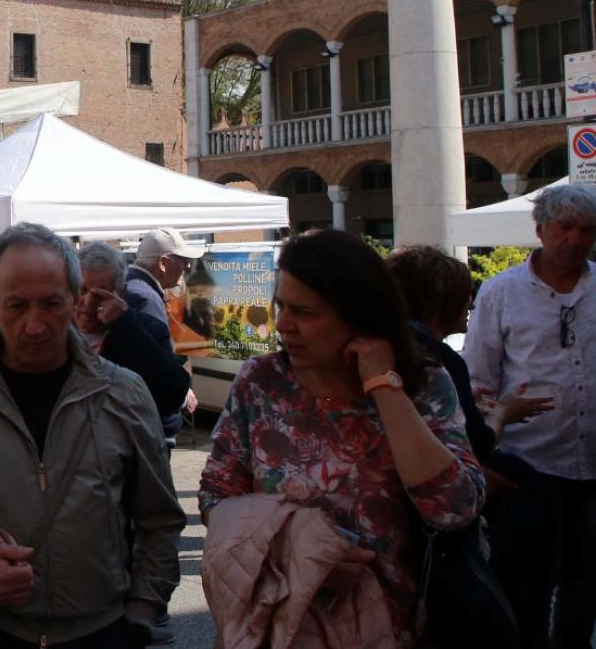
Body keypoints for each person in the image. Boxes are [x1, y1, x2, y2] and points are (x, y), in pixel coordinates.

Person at [0, 222, 183, 647]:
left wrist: (141, 611)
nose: (35, 324)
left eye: (51, 304)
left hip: (102, 632)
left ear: (76, 300)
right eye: (16, 305)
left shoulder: (124, 394)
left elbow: (159, 519)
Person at [201, 229, 485, 646]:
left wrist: (384, 387)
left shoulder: (421, 384)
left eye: (305, 312)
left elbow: (454, 508)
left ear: (358, 315)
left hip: (390, 628)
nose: (282, 325)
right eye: (280, 305)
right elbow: (216, 499)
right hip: (276, 626)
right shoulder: (261, 382)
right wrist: (303, 554)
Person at [465, 183, 596, 649]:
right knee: (527, 590)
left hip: (592, 469)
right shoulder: (501, 293)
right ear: (540, 229)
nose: (576, 240)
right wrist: (487, 454)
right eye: (566, 227)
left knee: (586, 591)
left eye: (587, 230)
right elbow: (478, 379)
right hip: (527, 469)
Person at [387, 246, 550, 468]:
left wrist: (465, 403)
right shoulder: (440, 360)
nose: (472, 304)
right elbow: (477, 443)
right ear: (443, 303)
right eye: (465, 295)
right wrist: (504, 412)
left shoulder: (386, 348)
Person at [74, 242, 191, 431]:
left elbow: (172, 392)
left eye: (100, 293)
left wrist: (124, 325)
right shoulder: (55, 330)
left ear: (119, 292)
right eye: (83, 290)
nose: (88, 302)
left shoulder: (144, 327)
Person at [124, 227, 203, 332]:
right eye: (183, 259)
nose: (188, 265)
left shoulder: (127, 286)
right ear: (163, 263)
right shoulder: (147, 300)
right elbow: (151, 348)